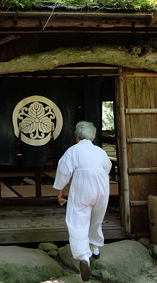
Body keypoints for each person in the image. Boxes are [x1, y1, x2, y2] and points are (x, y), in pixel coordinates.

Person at [53, 121, 112, 282]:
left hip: (82, 186)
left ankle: (84, 257)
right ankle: (95, 247)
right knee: (96, 218)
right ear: (92, 136)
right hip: (102, 186)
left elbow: (64, 170)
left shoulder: (73, 150)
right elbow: (107, 167)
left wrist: (60, 189)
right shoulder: (100, 151)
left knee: (78, 219)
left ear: (77, 136)